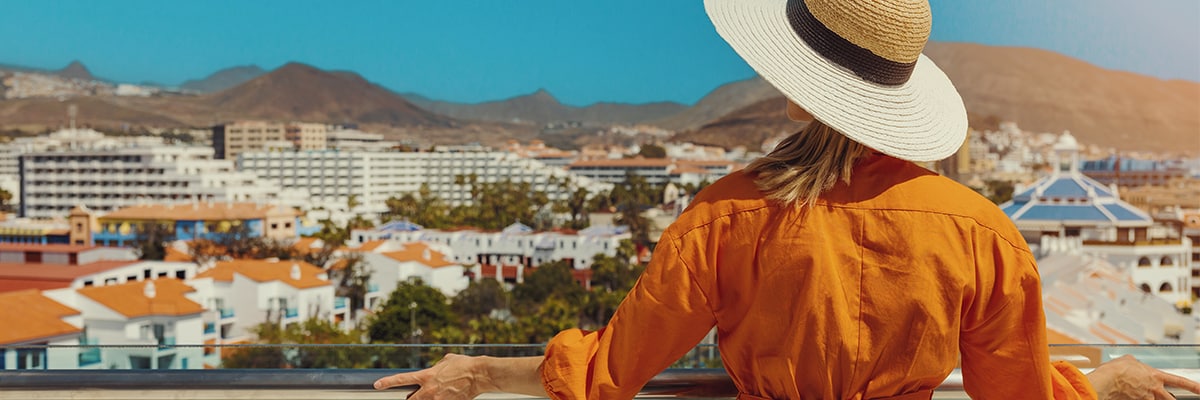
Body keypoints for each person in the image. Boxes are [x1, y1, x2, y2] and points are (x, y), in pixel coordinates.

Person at [376, 0, 1200, 398]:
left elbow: (608, 372)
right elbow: (1017, 395)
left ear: (800, 95)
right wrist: (1109, 386)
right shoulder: (979, 232)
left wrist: (477, 371)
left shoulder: (726, 217)